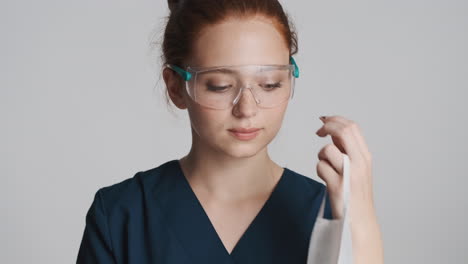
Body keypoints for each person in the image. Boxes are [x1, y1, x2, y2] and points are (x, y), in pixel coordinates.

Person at [76, 0, 384, 263]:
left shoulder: (328, 211)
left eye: (270, 84)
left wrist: (363, 224)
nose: (247, 109)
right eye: (220, 86)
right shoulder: (121, 216)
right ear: (176, 87)